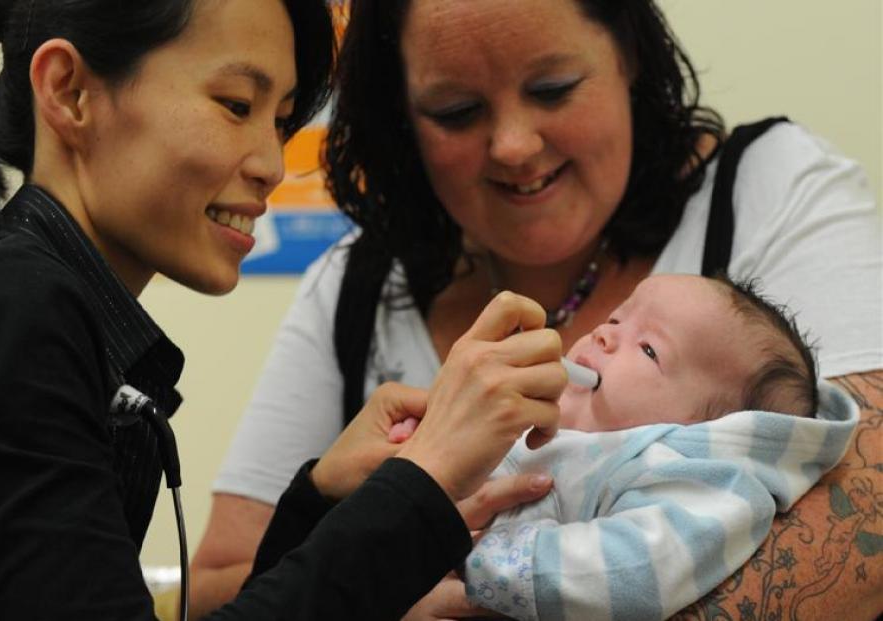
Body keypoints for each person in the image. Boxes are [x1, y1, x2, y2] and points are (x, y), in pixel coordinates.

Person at [194, 0, 883, 619]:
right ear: (400, 115)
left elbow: (869, 525)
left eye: (552, 89)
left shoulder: (769, 188)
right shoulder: (350, 288)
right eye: (457, 111)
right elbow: (217, 587)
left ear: (628, 57)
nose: (514, 146)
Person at [0, 1, 570, 619]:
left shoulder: (24, 300)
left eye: (282, 121)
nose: (271, 164)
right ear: (70, 91)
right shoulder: (17, 304)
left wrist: (319, 500)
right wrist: (427, 478)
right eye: (237, 105)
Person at [454, 274, 859, 620]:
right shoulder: (543, 421)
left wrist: (477, 559)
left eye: (649, 349)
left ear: (704, 432)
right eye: (616, 318)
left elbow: (635, 568)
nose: (604, 334)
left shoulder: (693, 479)